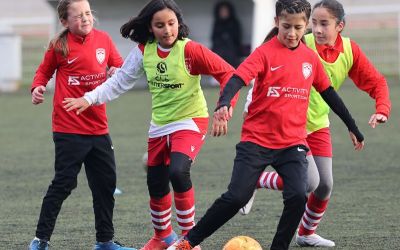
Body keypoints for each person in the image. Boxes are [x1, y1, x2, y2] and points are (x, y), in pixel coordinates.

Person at [168, 0, 365, 249]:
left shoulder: (309, 58)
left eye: (297, 27)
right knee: (235, 197)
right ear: (276, 23)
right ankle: (188, 241)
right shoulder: (264, 53)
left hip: (292, 143)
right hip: (256, 141)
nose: (291, 33)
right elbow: (237, 78)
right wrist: (224, 103)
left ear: (305, 27)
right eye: (286, 27)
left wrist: (352, 125)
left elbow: (329, 94)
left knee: (297, 197)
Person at [62, 0, 237, 249]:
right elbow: (119, 81)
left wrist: (224, 107)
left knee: (178, 172)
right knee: (155, 182)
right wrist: (88, 99)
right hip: (160, 125)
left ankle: (189, 239)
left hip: (190, 120)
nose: (167, 30)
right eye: (160, 25)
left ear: (179, 22)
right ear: (150, 28)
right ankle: (162, 236)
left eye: (171, 23)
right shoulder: (144, 52)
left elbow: (229, 73)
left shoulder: (190, 50)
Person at [240, 0, 391, 247]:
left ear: (340, 26)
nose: (317, 30)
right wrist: (249, 103)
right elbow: (264, 69)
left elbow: (377, 82)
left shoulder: (350, 51)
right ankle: (254, 180)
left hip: (319, 124)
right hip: (289, 125)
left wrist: (382, 109)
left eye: (324, 24)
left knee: (325, 186)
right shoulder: (298, 42)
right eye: (314, 23)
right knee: (310, 182)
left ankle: (306, 233)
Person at [27, 1, 135, 250]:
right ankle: (40, 239)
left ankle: (105, 242)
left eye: (87, 13)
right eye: (78, 16)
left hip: (99, 128)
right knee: (64, 183)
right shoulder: (59, 46)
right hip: (68, 128)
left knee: (105, 184)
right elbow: (43, 72)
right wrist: (37, 87)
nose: (85, 19)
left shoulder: (104, 40)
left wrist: (114, 72)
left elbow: (118, 67)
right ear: (65, 22)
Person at [211, 1, 243, 68]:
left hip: (232, 53)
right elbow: (213, 38)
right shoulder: (217, 23)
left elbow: (237, 39)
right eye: (222, 11)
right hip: (219, 52)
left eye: (225, 11)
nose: (223, 13)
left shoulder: (234, 23)